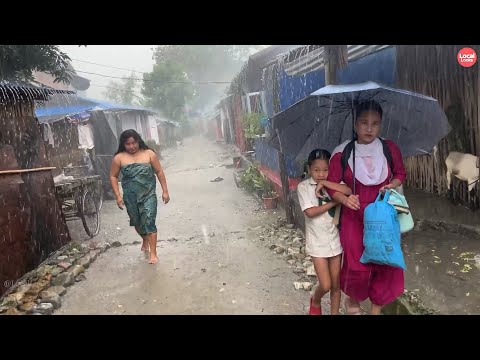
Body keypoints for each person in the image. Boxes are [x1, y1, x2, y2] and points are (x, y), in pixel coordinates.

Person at [326, 100, 407, 315]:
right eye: (364, 122)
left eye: (375, 123)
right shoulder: (342, 152)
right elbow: (331, 186)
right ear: (355, 124)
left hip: (383, 215)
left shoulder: (389, 149)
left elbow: (400, 173)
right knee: (356, 265)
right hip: (354, 217)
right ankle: (353, 301)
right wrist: (345, 200)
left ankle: (376, 309)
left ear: (380, 125)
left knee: (385, 261)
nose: (369, 128)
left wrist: (392, 184)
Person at [297, 149, 353, 315]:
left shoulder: (334, 184)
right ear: (309, 169)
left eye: (325, 169)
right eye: (316, 170)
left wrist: (327, 184)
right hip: (317, 243)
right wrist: (334, 203)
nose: (321, 174)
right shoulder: (304, 187)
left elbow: (349, 190)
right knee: (326, 284)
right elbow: (310, 212)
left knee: (336, 286)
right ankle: (316, 299)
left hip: (335, 240)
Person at [110, 129, 170, 264]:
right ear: (123, 144)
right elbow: (113, 176)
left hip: (148, 194)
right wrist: (117, 196)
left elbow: (159, 172)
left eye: (134, 143)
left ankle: (153, 254)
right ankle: (145, 238)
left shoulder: (149, 154)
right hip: (130, 196)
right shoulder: (119, 158)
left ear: (138, 141)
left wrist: (165, 191)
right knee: (137, 222)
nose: (132, 146)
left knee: (149, 220)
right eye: (128, 144)